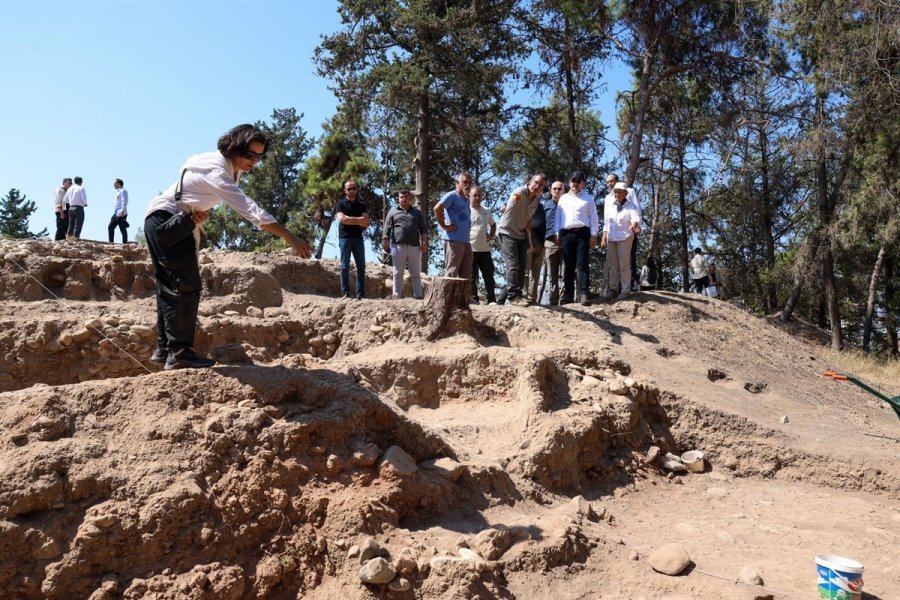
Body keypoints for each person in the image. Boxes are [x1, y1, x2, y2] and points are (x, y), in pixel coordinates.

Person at [144, 124, 312, 370]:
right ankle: (179, 353)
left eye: (259, 157)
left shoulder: (227, 167)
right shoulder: (217, 170)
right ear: (235, 148)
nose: (254, 161)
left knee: (172, 285)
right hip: (167, 219)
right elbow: (249, 209)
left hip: (168, 220)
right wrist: (290, 237)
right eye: (250, 155)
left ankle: (166, 349)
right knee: (185, 286)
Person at [497, 173, 546, 306]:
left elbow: (529, 221)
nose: (537, 186)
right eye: (536, 182)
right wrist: (509, 204)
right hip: (507, 232)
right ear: (530, 181)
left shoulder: (536, 199)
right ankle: (513, 297)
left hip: (521, 235)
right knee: (513, 265)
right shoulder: (519, 192)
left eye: (541, 185)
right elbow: (513, 200)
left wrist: (529, 241)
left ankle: (518, 295)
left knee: (522, 266)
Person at [554, 171, 599, 305]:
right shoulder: (563, 199)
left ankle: (584, 293)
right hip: (566, 234)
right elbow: (558, 217)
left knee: (582, 264)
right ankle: (568, 295)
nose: (575, 183)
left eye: (579, 181)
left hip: (583, 234)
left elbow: (594, 218)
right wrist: (557, 232)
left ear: (583, 184)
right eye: (573, 180)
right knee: (568, 265)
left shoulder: (589, 199)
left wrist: (594, 234)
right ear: (569, 183)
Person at [382, 189, 427, 299]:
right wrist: (385, 242)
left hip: (415, 246)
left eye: (406, 197)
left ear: (410, 198)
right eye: (401, 197)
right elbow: (386, 228)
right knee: (397, 272)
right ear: (398, 198)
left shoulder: (417, 213)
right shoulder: (392, 211)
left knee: (416, 273)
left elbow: (423, 230)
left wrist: (424, 243)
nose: (403, 199)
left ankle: (418, 295)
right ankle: (396, 295)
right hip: (396, 245)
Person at [601, 182, 641, 300]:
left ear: (626, 193)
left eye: (619, 191)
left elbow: (635, 217)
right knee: (612, 265)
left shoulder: (631, 206)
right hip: (611, 238)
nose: (616, 193)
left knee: (624, 264)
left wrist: (635, 225)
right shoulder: (611, 206)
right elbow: (606, 224)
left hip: (625, 237)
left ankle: (625, 290)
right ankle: (613, 290)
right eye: (615, 191)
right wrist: (604, 238)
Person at [434, 173, 473, 280]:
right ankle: (446, 297)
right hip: (453, 241)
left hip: (466, 242)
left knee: (466, 276)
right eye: (465, 182)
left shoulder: (467, 200)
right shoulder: (451, 196)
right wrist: (445, 226)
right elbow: (437, 209)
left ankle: (463, 297)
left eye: (470, 183)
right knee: (451, 274)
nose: (468, 185)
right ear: (457, 183)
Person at [336, 179, 370, 299]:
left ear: (356, 190)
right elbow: (342, 219)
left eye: (354, 188)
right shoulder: (340, 203)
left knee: (361, 266)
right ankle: (346, 293)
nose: (352, 190)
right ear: (345, 191)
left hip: (358, 239)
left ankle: (360, 294)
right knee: (345, 266)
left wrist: (350, 219)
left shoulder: (361, 205)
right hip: (344, 238)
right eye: (349, 188)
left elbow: (366, 221)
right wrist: (358, 220)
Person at [468, 185, 496, 304]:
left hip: (485, 249)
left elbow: (493, 224)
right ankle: (474, 299)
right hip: (470, 249)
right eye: (474, 195)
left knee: (489, 275)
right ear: (469, 196)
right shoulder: (466, 210)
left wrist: (491, 235)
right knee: (471, 277)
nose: (477, 197)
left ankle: (491, 299)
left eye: (479, 195)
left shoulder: (486, 210)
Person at [541, 181, 565, 305]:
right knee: (552, 274)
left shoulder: (568, 205)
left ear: (564, 191)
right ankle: (553, 301)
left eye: (559, 188)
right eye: (554, 188)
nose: (557, 191)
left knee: (565, 273)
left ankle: (564, 300)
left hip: (565, 241)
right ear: (550, 191)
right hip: (550, 242)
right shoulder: (545, 206)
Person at [523, 185, 547, 304]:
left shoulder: (542, 207)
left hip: (540, 244)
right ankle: (523, 297)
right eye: (539, 190)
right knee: (525, 273)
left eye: (542, 191)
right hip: (528, 242)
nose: (540, 193)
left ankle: (532, 298)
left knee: (536, 275)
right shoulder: (525, 204)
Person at [108, 179, 129, 243]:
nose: (113, 185)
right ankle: (111, 242)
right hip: (116, 212)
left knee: (122, 228)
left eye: (114, 183)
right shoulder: (118, 192)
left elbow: (124, 201)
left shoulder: (123, 191)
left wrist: (123, 210)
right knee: (110, 227)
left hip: (121, 212)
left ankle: (125, 244)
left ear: (118, 183)